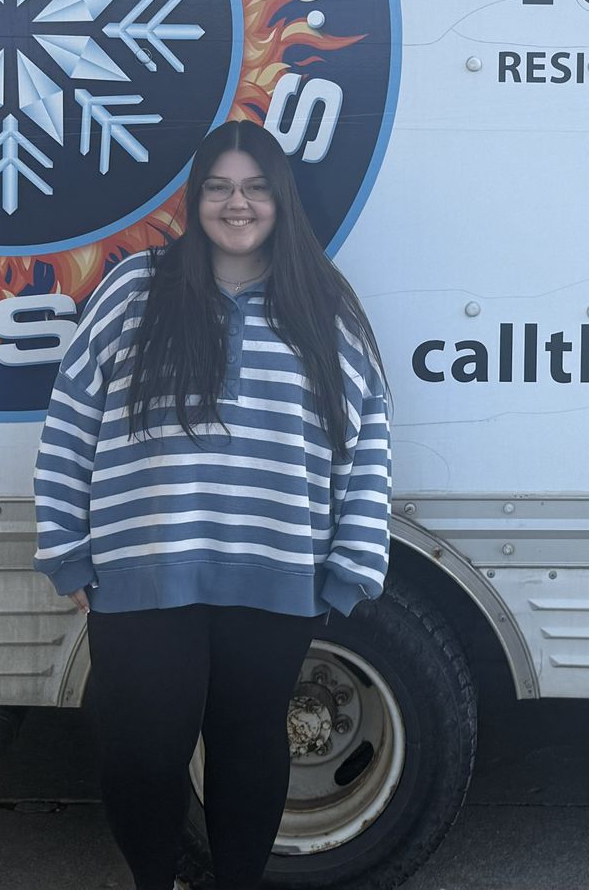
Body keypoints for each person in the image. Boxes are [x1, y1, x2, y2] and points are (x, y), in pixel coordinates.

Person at [32, 119, 392, 890]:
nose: (239, 203)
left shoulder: (323, 308)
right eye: (220, 186)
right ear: (196, 199)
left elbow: (369, 441)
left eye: (257, 186)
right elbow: (70, 416)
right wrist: (65, 547)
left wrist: (350, 566)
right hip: (144, 573)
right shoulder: (136, 290)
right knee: (142, 755)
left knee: (249, 746)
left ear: (280, 199)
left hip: (274, 578)